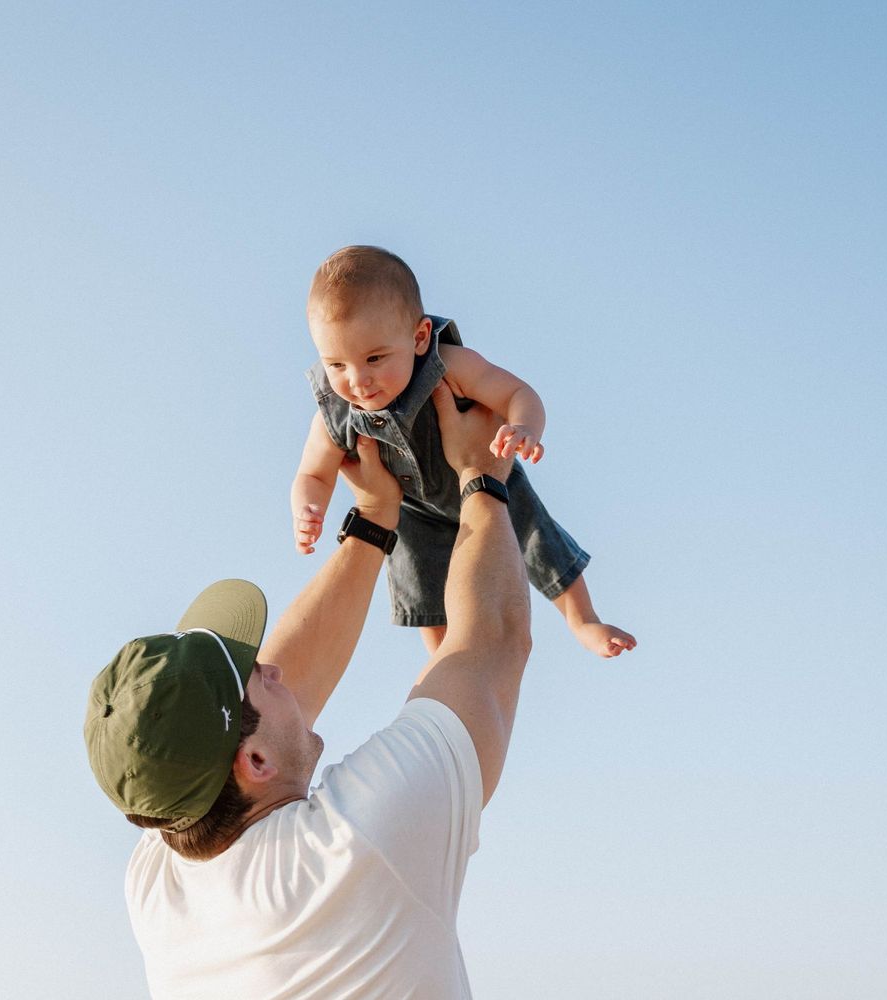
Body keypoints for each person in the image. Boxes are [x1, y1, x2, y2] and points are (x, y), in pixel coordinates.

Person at [85, 385, 536, 998]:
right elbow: (492, 641)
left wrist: (376, 522)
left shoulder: (159, 885)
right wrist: (482, 477)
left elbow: (235, 730)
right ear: (256, 763)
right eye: (254, 672)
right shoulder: (363, 840)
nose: (273, 668)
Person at [291, 245, 636, 658]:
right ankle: (442, 659)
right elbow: (313, 473)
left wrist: (523, 426)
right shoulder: (336, 411)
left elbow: (515, 391)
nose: (358, 381)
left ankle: (583, 618)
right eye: (337, 365)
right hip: (415, 511)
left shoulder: (447, 365)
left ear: (418, 338)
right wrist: (307, 509)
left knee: (534, 535)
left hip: (487, 476)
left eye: (375, 358)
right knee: (418, 579)